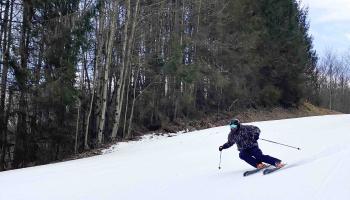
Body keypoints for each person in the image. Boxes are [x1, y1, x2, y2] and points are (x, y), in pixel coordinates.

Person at [219, 119, 284, 169]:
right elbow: (230, 142)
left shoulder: (246, 128)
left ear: (238, 125)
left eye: (234, 126)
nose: (233, 128)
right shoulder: (231, 134)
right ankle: (258, 164)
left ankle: (276, 162)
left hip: (252, 146)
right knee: (242, 155)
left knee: (259, 156)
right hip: (243, 149)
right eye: (231, 126)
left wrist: (256, 134)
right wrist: (223, 146)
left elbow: (256, 129)